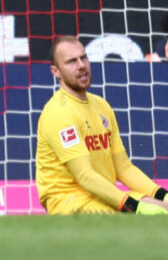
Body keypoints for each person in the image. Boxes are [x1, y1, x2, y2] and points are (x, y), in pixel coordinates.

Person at [36, 35, 168, 215]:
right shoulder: (60, 113)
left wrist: (164, 196)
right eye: (71, 62)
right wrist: (133, 207)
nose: (81, 65)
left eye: (83, 58)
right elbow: (85, 176)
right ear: (56, 71)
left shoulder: (101, 106)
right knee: (154, 216)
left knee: (164, 208)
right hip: (69, 204)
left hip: (100, 197)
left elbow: (123, 168)